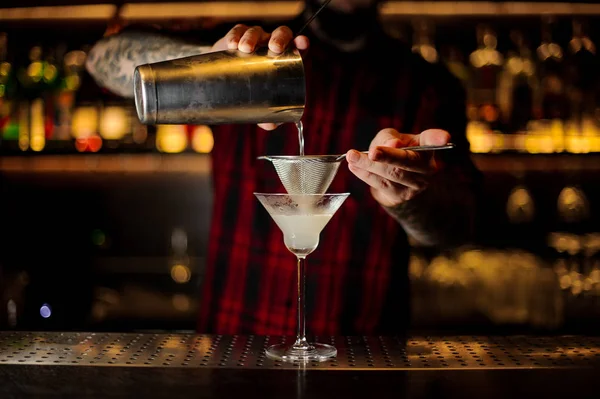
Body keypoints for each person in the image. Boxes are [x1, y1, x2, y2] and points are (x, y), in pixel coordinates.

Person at [85, 0, 482, 336]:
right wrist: (213, 65)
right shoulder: (245, 47)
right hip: (232, 349)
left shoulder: (428, 86)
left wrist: (409, 197)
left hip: (363, 359)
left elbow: (459, 226)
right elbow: (101, 59)